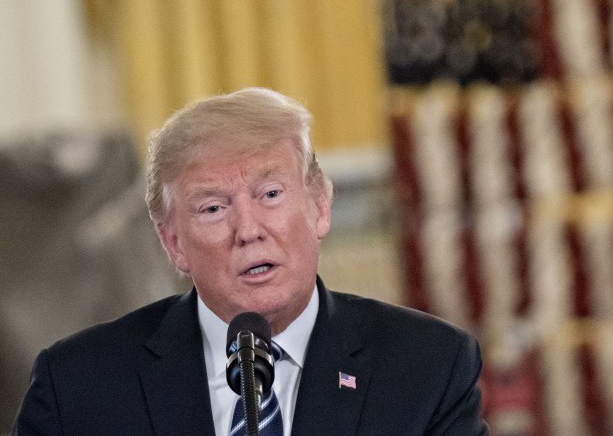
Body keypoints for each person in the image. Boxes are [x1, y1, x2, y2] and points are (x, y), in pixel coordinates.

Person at [13, 87, 488, 435]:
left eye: (270, 194)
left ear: (320, 206)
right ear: (173, 243)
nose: (248, 230)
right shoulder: (77, 388)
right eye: (213, 208)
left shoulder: (428, 368)